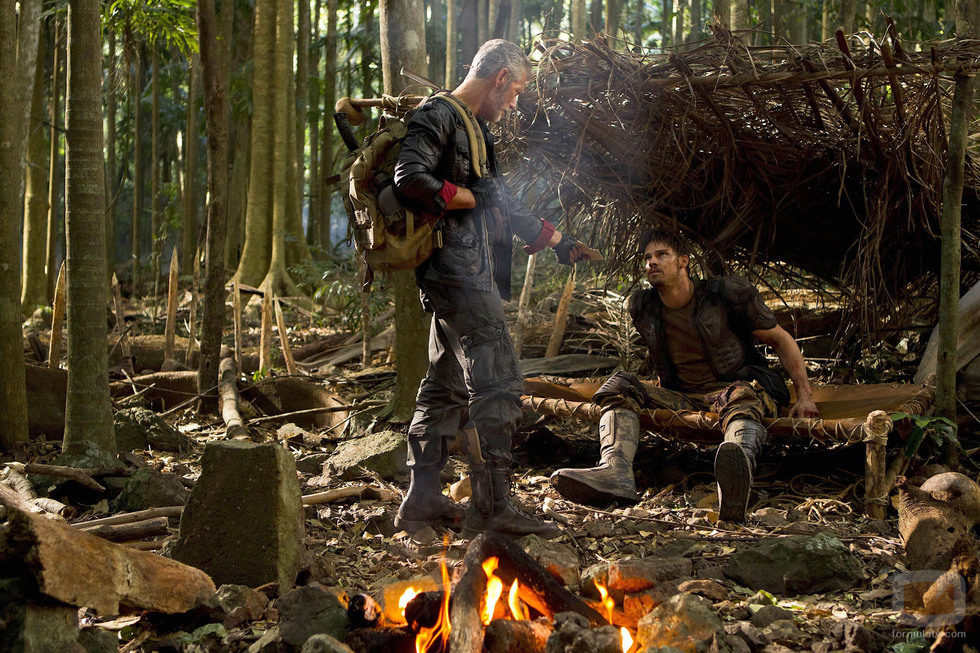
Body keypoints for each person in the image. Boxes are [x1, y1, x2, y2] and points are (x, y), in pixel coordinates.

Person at [391, 39, 599, 538]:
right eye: (516, 92)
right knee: (501, 380)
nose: (515, 103)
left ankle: (420, 501)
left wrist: (555, 241)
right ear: (501, 78)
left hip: (464, 272)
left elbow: (498, 200)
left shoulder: (474, 127)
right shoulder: (437, 115)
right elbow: (408, 179)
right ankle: (492, 508)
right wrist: (462, 197)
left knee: (442, 385)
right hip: (455, 274)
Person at [550, 228, 819, 522]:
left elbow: (781, 340)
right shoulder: (643, 306)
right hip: (683, 396)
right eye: (647, 257)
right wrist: (653, 392)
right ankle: (615, 471)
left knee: (741, 395)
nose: (652, 262)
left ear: (683, 261)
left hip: (737, 389)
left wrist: (804, 396)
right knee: (620, 385)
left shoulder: (725, 295)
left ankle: (734, 484)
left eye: (661, 255)